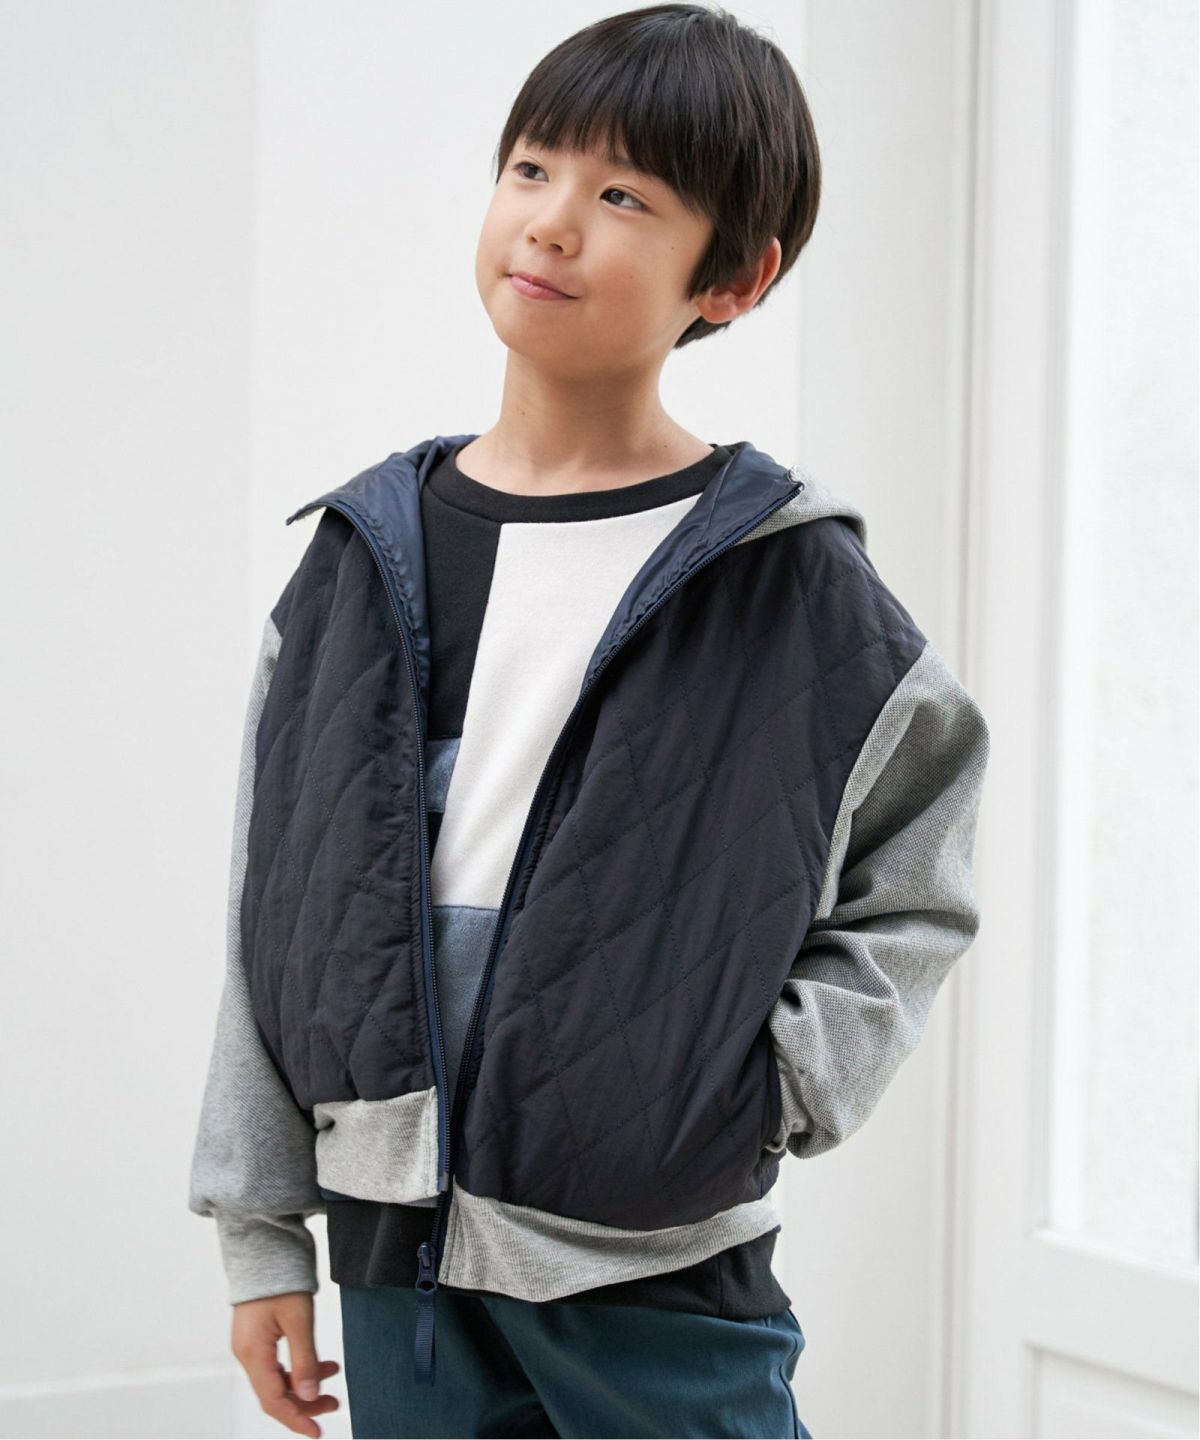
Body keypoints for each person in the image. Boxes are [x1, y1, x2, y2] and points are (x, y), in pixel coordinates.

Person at [188, 5, 990, 1437]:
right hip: (391, 1254)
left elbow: (916, 877)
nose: (553, 221)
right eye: (532, 168)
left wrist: (773, 1087)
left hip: (651, 1255)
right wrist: (261, 1232)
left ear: (732, 276)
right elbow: (273, 909)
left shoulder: (787, 578)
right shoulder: (361, 559)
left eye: (624, 196)